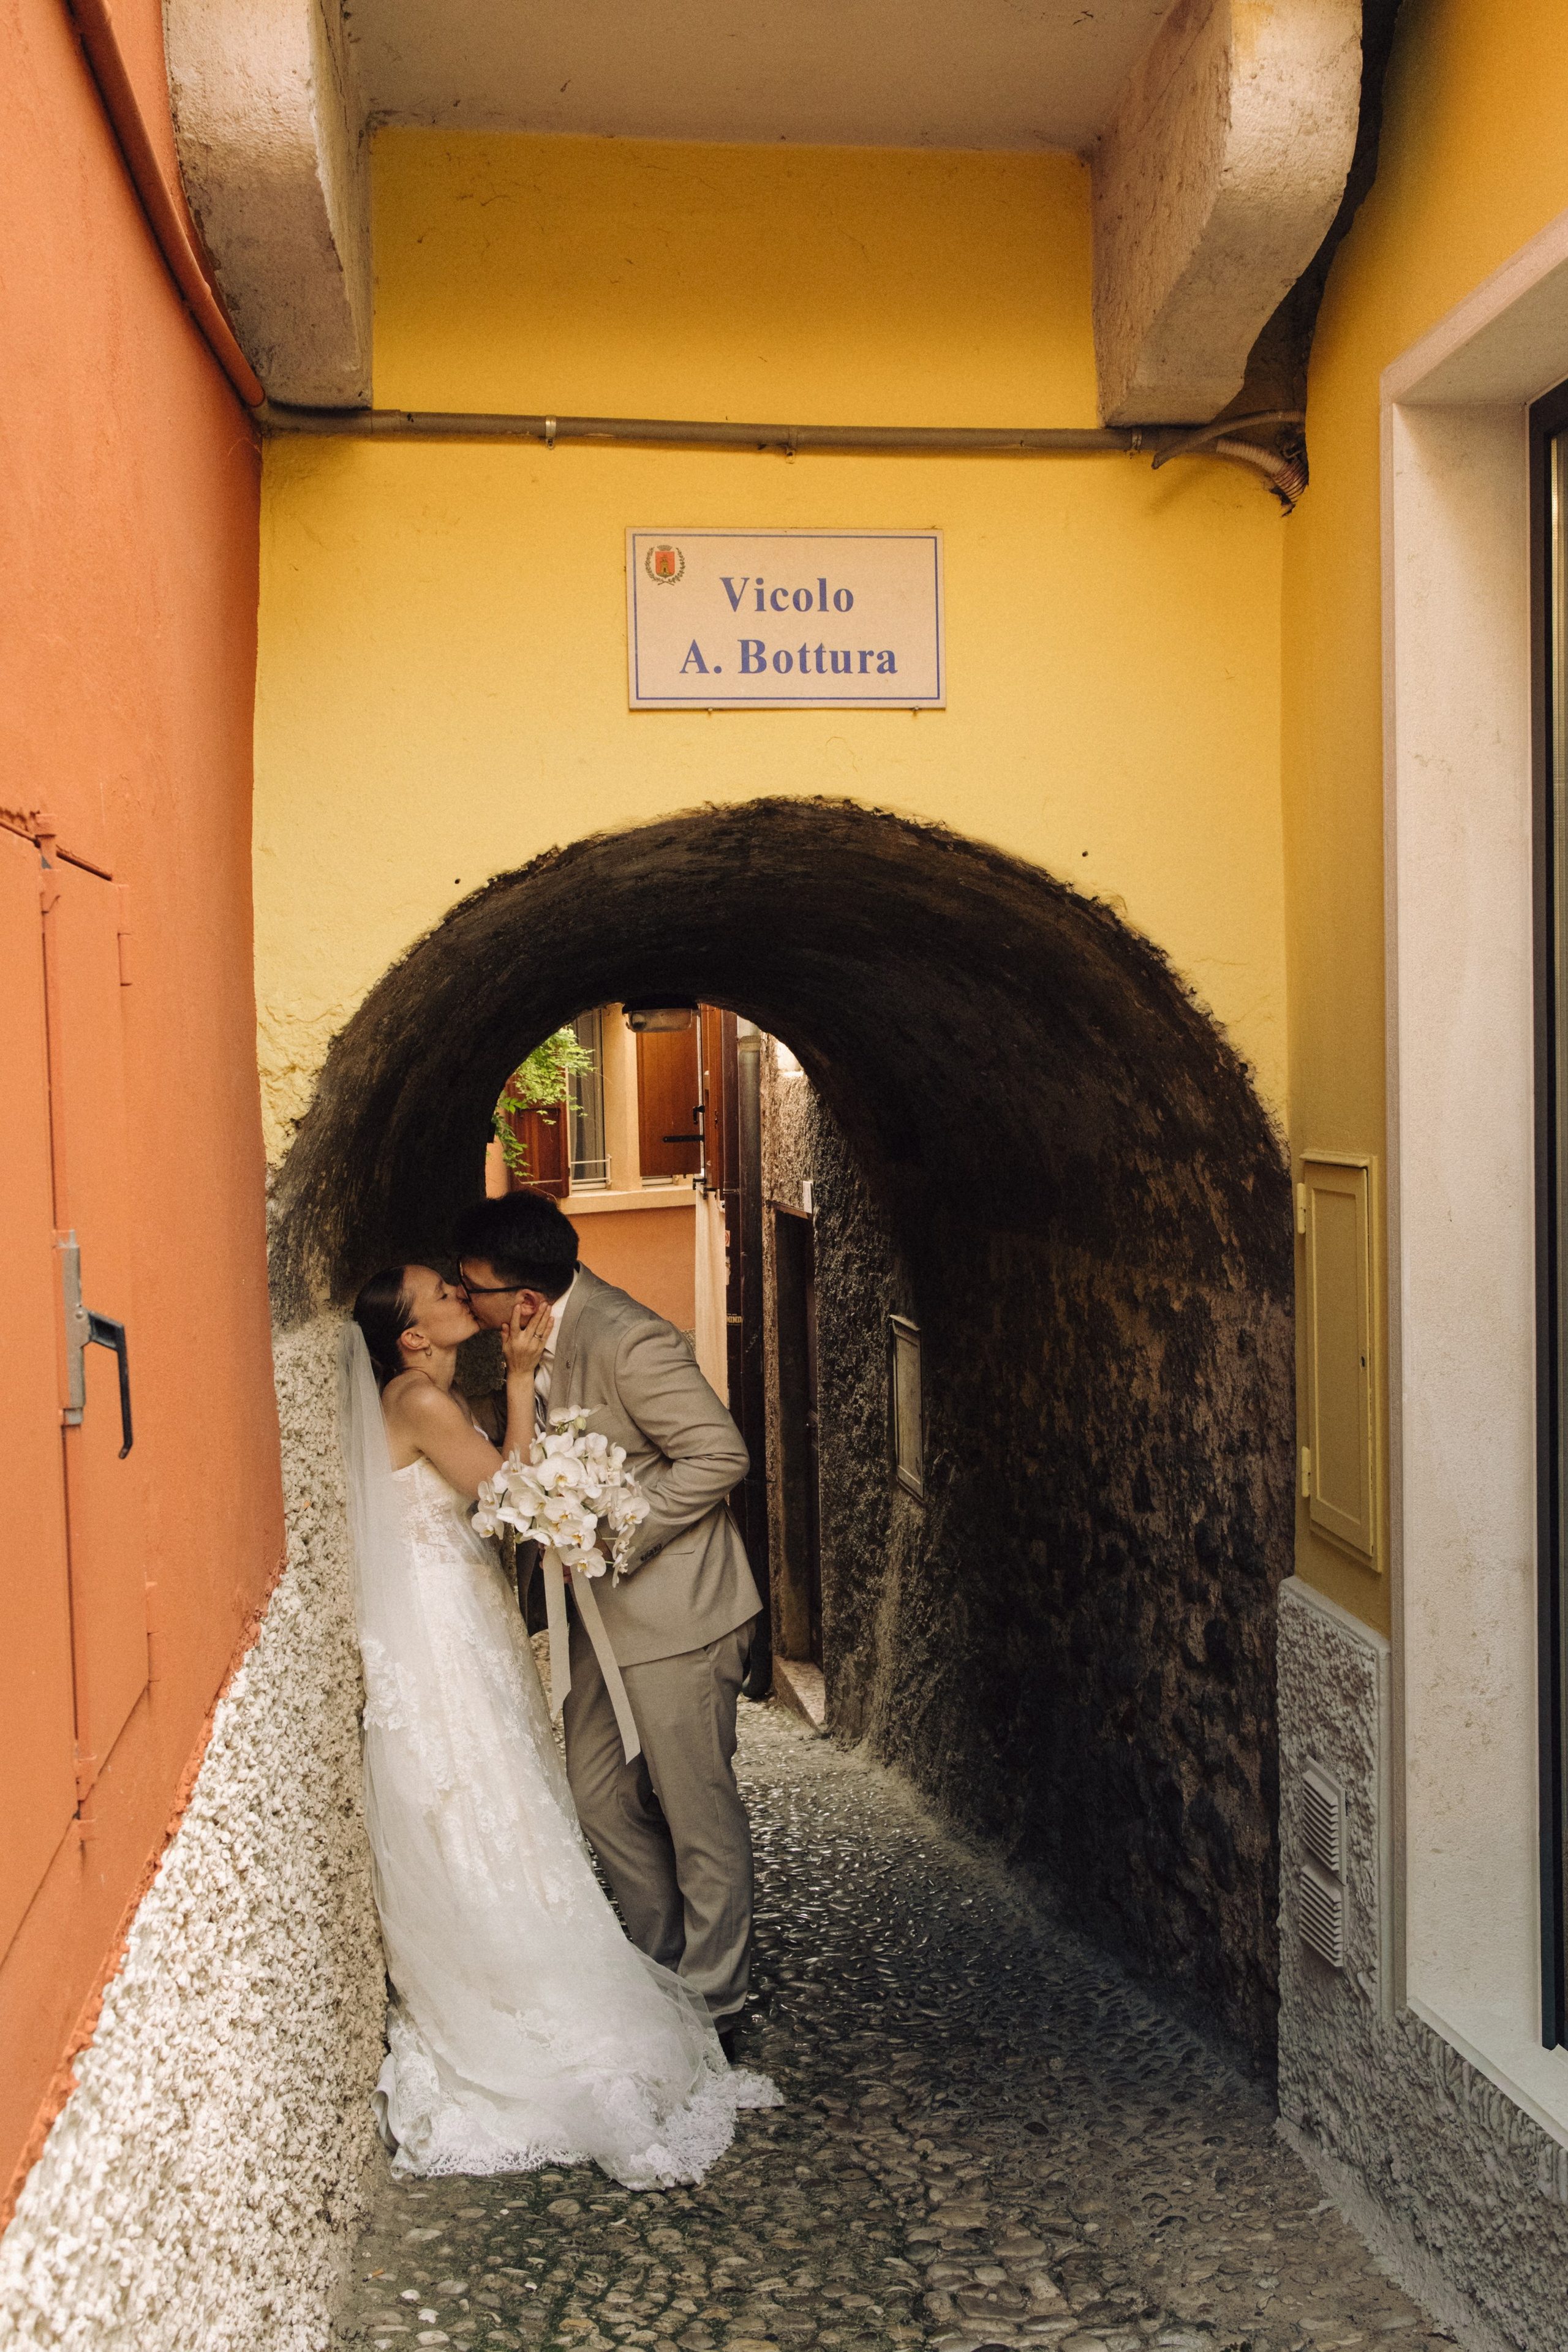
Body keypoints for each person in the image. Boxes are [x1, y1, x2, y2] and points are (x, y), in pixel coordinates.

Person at [338, 1262, 777, 2185]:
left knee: (517, 1795)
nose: (463, 1300)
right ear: (413, 1337)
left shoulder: (423, 1389)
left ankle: (643, 1978)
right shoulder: (420, 1397)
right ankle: (529, 1990)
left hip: (462, 1613)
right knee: (481, 1792)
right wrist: (518, 1381)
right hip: (439, 1631)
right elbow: (510, 1499)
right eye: (444, 1296)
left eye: (466, 1287)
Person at [452, 1190, 763, 2059]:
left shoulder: (630, 1340)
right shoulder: (527, 1343)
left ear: (522, 1302)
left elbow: (720, 1453)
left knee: (697, 1812)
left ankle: (716, 2006)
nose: (462, 1303)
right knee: (598, 1799)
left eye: (471, 1289)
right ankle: (662, 1976)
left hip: (681, 1619)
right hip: (594, 1621)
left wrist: (614, 1525)